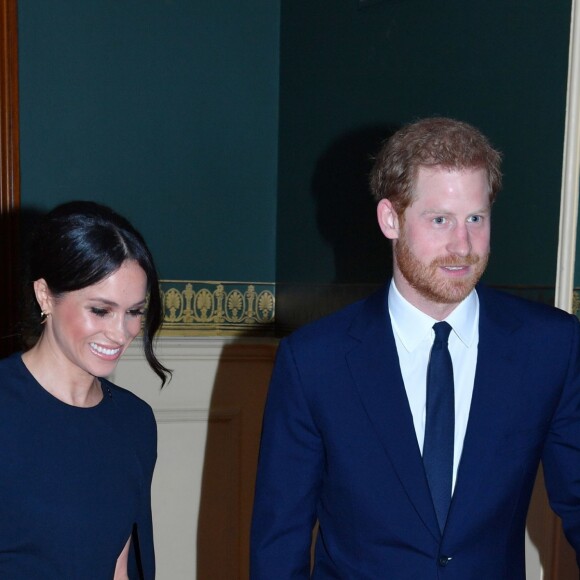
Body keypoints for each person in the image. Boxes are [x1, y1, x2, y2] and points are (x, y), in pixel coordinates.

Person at [250, 117, 580, 578]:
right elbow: (278, 540)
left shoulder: (550, 345)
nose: (462, 246)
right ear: (391, 218)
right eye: (440, 219)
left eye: (476, 219)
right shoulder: (314, 362)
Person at [0, 201, 170, 579]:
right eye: (100, 310)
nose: (121, 332)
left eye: (134, 312)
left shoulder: (134, 421)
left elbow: (119, 568)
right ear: (45, 296)